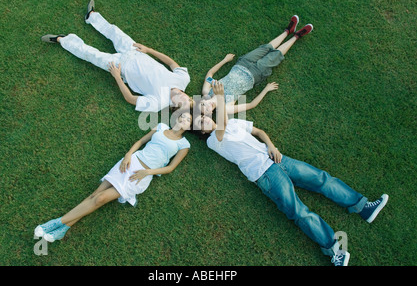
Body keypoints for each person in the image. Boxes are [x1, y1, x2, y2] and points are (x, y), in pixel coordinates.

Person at [195, 81, 389, 266]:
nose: (204, 121)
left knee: (321, 178)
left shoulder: (233, 123)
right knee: (299, 211)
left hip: (277, 158)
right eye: (201, 124)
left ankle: (363, 207)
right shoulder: (213, 142)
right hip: (265, 175)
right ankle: (334, 251)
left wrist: (271, 146)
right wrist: (220, 98)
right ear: (203, 133)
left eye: (203, 118)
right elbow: (220, 128)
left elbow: (259, 131)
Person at [34, 110, 192, 242]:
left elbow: (170, 168)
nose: (183, 119)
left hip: (141, 175)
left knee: (100, 199)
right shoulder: (161, 126)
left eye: (188, 119)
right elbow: (140, 141)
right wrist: (128, 155)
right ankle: (63, 229)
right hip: (131, 162)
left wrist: (148, 172)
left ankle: (57, 222)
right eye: (182, 116)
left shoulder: (184, 144)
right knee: (95, 194)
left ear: (189, 126)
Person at [41, 0, 193, 113]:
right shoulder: (183, 79)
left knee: (90, 54)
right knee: (114, 31)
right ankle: (92, 16)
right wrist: (149, 50)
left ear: (174, 105)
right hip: (136, 52)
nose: (181, 97)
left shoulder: (158, 103)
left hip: (120, 67)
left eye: (180, 102)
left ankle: (62, 40)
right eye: (185, 98)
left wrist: (117, 77)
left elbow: (131, 99)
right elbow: (171, 63)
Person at [199, 15, 312, 115]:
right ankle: (296, 36)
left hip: (241, 65)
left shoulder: (207, 91)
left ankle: (288, 30)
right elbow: (250, 105)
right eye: (207, 112)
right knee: (275, 56)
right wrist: (266, 89)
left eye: (203, 106)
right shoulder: (226, 108)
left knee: (265, 48)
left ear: (203, 100)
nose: (208, 107)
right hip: (254, 75)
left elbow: (210, 74)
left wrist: (225, 60)